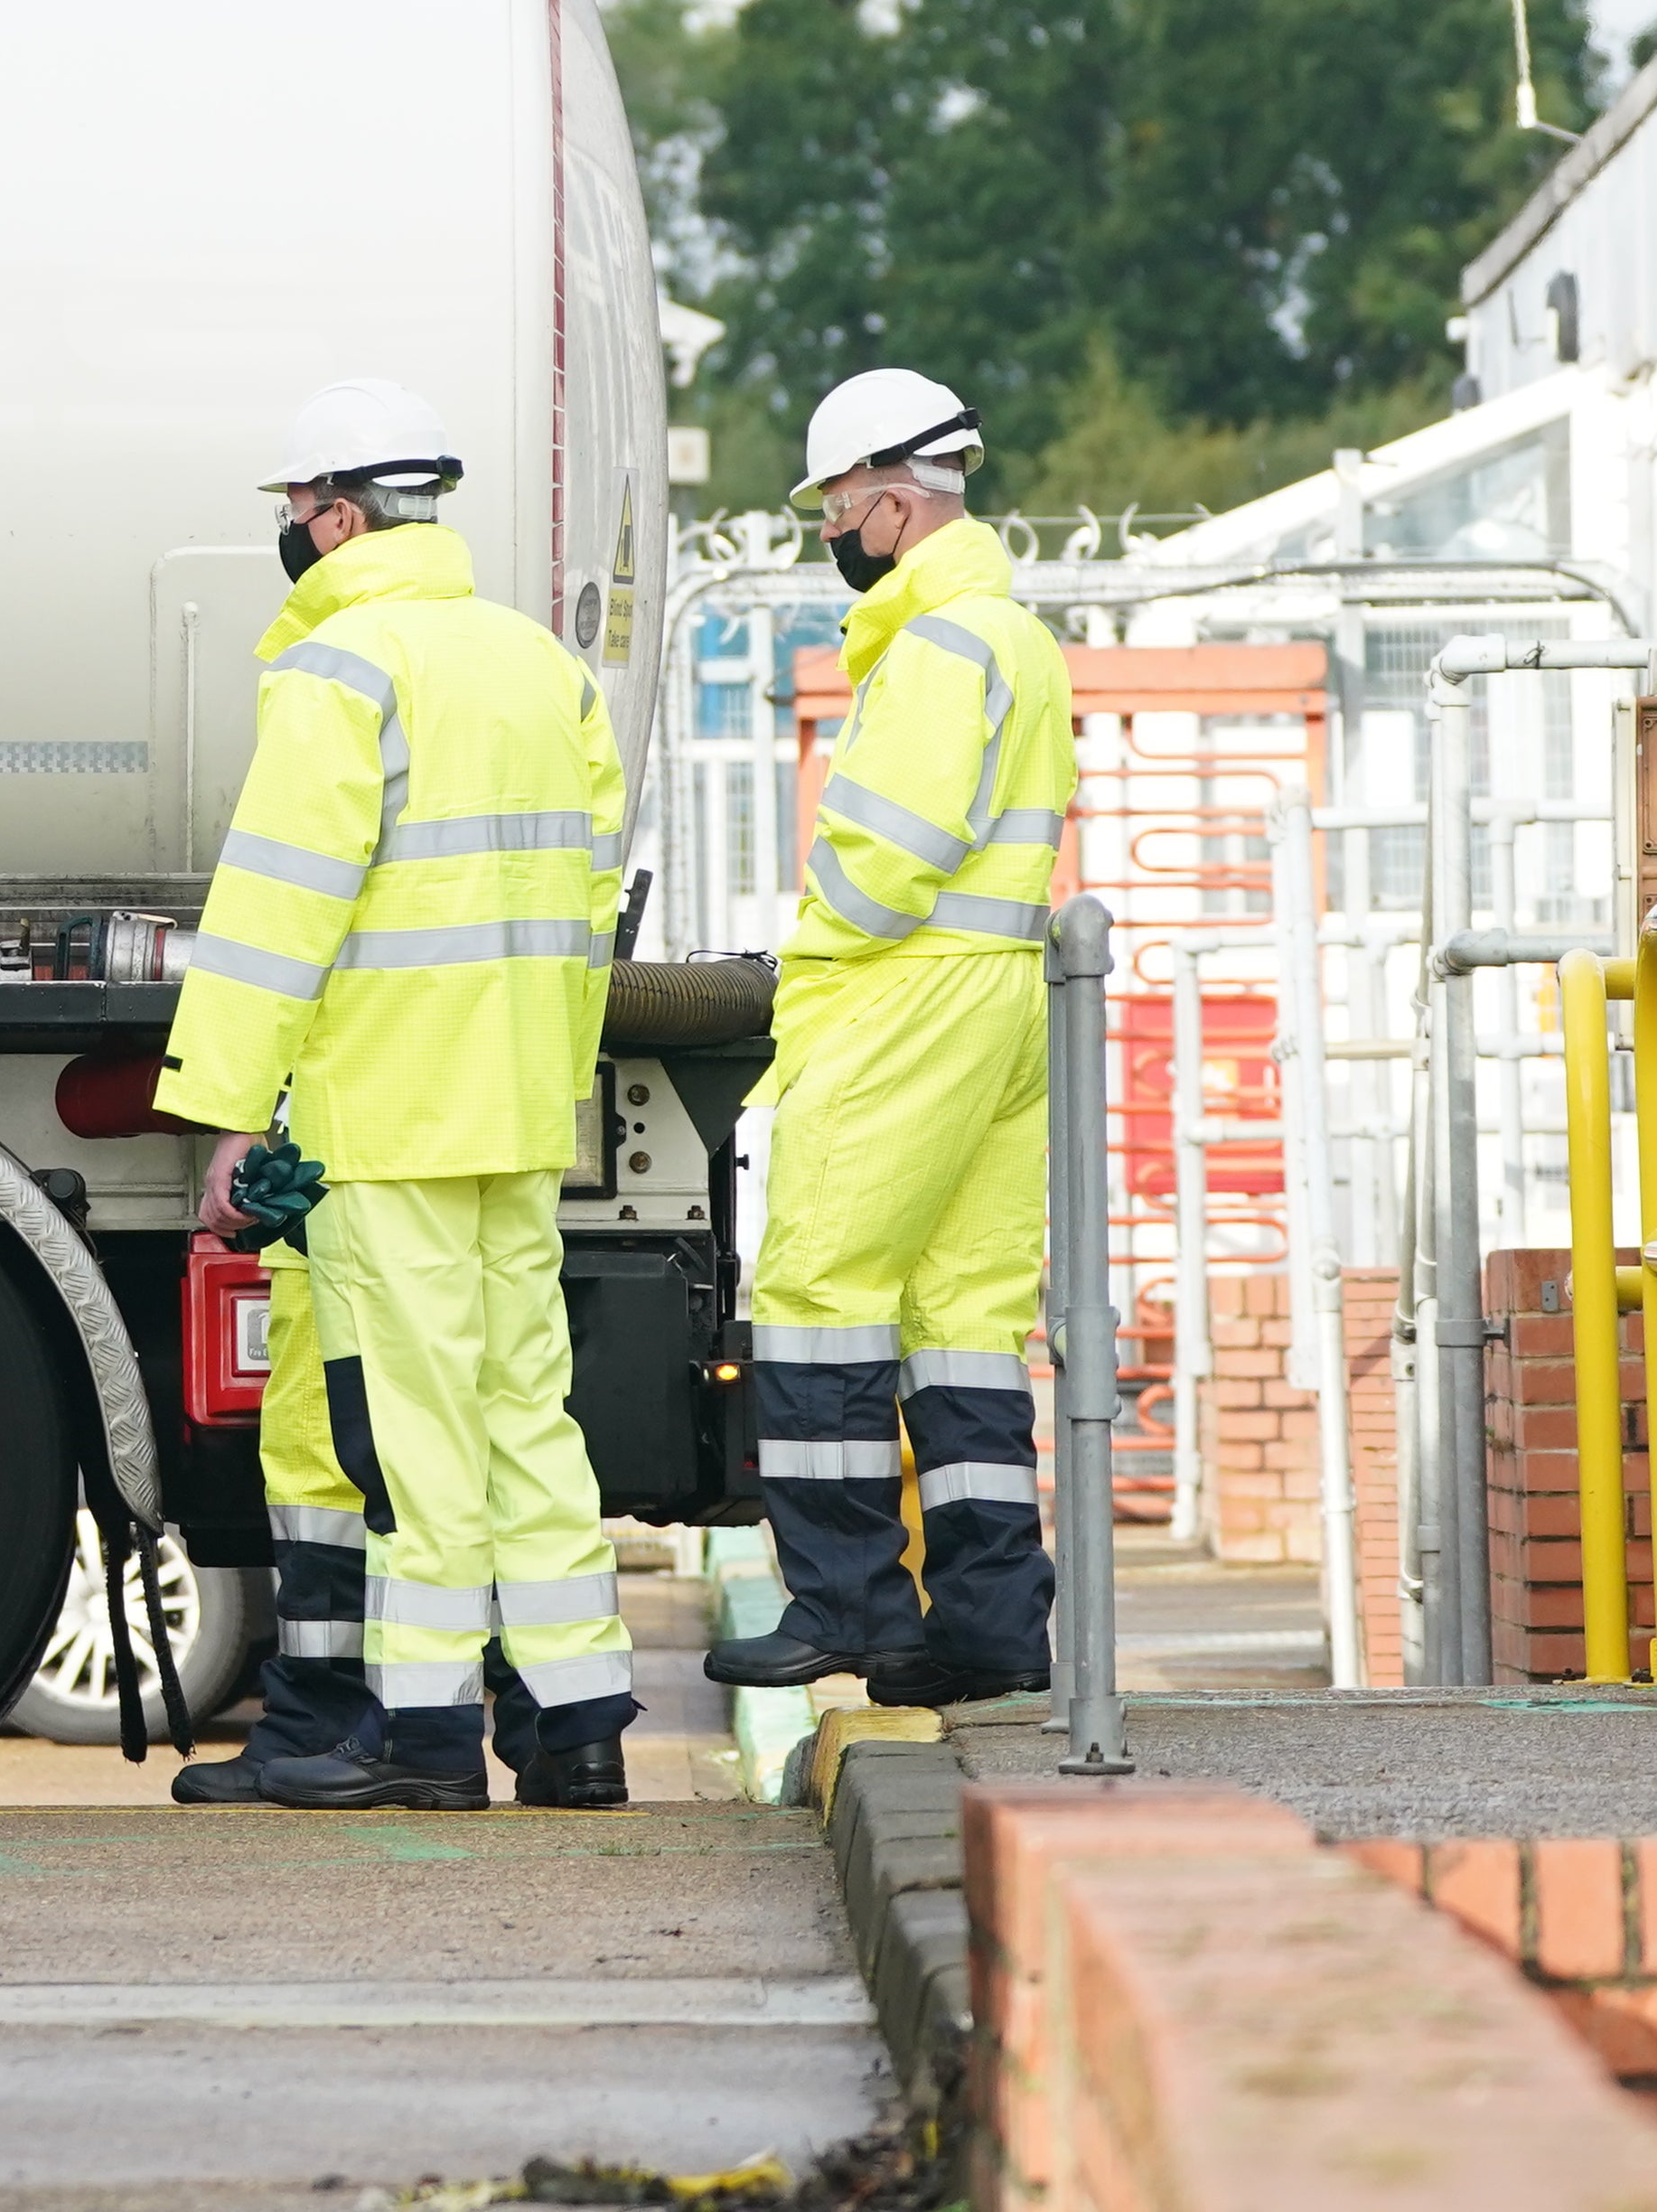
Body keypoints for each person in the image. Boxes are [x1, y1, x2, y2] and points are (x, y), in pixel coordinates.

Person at [150, 380, 641, 1814]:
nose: (292, 543)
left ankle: (424, 1739)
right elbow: (588, 896)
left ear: (342, 516)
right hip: (513, 1109)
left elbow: (275, 914)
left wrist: (231, 1114)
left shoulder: (340, 672)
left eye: (297, 518)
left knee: (413, 1429)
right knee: (523, 1417)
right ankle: (578, 1722)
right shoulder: (540, 666)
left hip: (386, 1115)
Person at [701, 366, 1070, 1707]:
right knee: (964, 1320)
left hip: (900, 994)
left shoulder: (932, 648)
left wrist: (808, 950)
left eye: (836, 505)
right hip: (999, 998)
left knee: (815, 1298)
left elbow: (887, 861)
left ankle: (849, 1610)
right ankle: (984, 1633)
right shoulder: (1010, 634)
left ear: (897, 503)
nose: (826, 531)